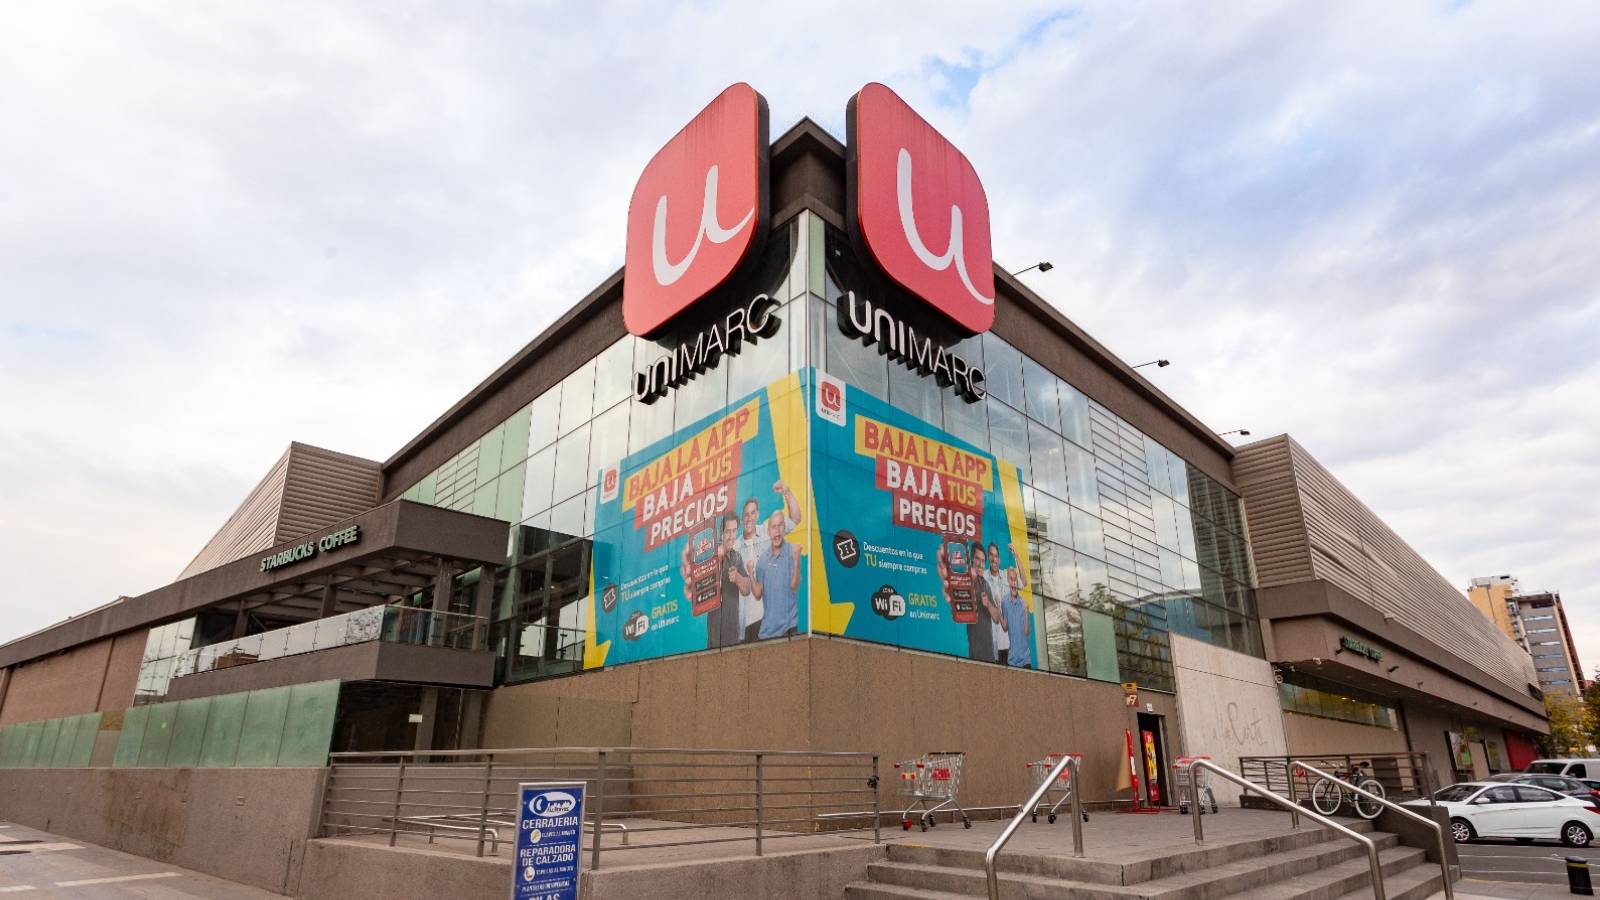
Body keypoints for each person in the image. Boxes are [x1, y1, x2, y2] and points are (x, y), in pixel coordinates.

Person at [736, 481, 803, 642]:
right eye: (746, 514)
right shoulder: (736, 547)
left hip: (771, 618)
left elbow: (795, 518)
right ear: (742, 518)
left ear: (758, 515)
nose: (749, 518)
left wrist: (786, 492)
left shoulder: (768, 530)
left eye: (753, 513)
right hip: (746, 624)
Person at [682, 512, 749, 649]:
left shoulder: (737, 557)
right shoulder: (709, 555)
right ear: (721, 533)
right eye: (728, 532)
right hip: (714, 634)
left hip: (733, 633)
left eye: (734, 531)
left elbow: (747, 589)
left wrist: (737, 578)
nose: (731, 536)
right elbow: (697, 587)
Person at [753, 511, 804, 638]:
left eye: (780, 525)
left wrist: (797, 560)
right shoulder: (762, 561)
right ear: (768, 532)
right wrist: (749, 573)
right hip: (767, 631)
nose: (777, 530)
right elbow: (758, 594)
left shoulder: (792, 552)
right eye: (773, 527)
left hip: (789, 628)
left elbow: (794, 586)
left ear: (784, 528)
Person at [1002, 567, 1032, 668]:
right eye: (1011, 579)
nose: (1014, 583)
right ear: (1007, 581)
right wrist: (997, 609)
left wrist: (1027, 613)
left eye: (1015, 579)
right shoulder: (1004, 602)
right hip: (1012, 660)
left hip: (1025, 659)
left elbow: (1027, 632)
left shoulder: (1023, 603)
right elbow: (1005, 628)